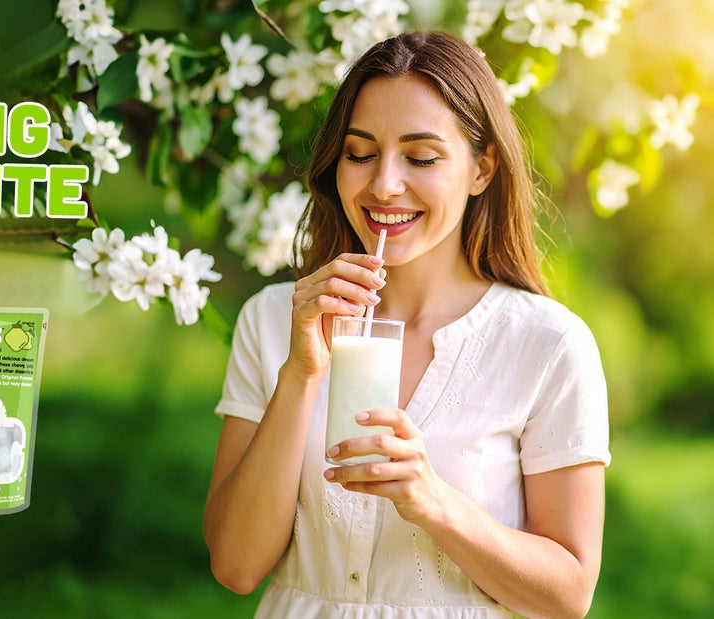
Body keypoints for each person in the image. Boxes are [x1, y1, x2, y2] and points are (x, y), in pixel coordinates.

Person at [204, 31, 610, 619]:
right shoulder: (273, 321)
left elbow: (569, 595)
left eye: (420, 157)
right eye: (360, 152)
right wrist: (300, 374)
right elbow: (236, 567)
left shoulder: (547, 344)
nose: (383, 183)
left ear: (481, 168)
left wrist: (433, 501)